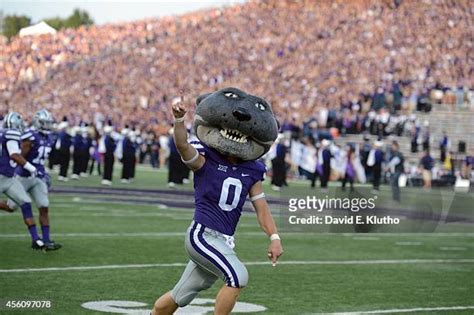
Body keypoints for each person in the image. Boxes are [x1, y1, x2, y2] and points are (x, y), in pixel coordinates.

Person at [152, 89, 283, 315]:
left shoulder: (253, 169)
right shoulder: (207, 158)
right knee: (238, 276)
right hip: (202, 234)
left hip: (224, 240)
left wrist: (274, 237)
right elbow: (183, 146)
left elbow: (261, 208)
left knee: (180, 295)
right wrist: (179, 120)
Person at [9, 110, 61, 250]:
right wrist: (32, 169)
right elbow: (21, 157)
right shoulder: (30, 137)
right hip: (23, 177)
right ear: (38, 122)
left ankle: (46, 240)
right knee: (10, 207)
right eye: (46, 123)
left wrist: (42, 172)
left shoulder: (50, 137)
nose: (49, 125)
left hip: (39, 178)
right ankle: (37, 239)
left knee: (44, 207)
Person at [0, 112, 45, 249]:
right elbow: (14, 155)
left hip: (9, 178)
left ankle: (36, 240)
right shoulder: (11, 134)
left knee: (25, 203)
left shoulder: (5, 134)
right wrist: (32, 169)